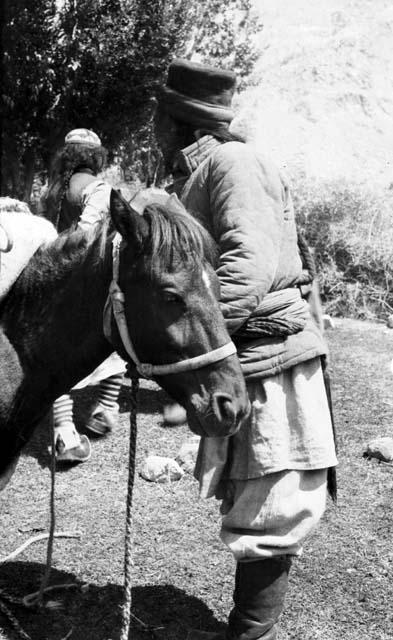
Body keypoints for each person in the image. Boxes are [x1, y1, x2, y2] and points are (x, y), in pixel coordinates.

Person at [154, 59, 338, 640]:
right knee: (252, 490)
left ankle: (250, 632)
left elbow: (247, 265)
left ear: (176, 119)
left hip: (269, 351)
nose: (152, 129)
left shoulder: (234, 163)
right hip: (240, 355)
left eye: (157, 117)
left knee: (271, 498)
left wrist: (195, 343)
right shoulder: (191, 176)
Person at [38, 128, 125, 463]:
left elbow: (47, 232)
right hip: (83, 279)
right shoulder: (99, 189)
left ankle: (64, 430)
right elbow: (86, 235)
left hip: (49, 276)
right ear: (96, 158)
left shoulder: (53, 190)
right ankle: (104, 408)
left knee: (55, 354)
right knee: (109, 340)